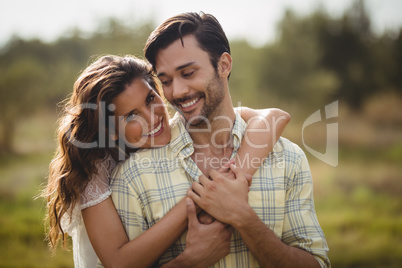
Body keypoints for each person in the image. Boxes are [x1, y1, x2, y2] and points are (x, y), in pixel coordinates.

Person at [110, 12, 330, 268]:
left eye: (188, 73)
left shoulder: (287, 157)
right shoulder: (134, 175)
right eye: (166, 81)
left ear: (224, 65)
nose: (177, 92)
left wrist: (244, 219)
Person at [42, 54, 290, 267]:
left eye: (150, 99)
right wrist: (203, 202)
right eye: (131, 116)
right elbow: (119, 262)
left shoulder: (187, 123)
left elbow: (274, 117)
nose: (152, 118)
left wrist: (232, 178)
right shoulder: (94, 168)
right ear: (111, 131)